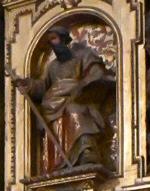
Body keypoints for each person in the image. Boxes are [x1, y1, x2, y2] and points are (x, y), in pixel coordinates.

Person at [11, 25, 113, 172]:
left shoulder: (83, 56)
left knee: (74, 110)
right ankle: (59, 160)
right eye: (50, 41)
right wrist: (28, 85)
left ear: (64, 39)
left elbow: (96, 74)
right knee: (52, 120)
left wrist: (81, 86)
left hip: (78, 98)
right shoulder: (52, 66)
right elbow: (43, 86)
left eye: (54, 38)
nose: (52, 43)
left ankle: (86, 151)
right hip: (53, 104)